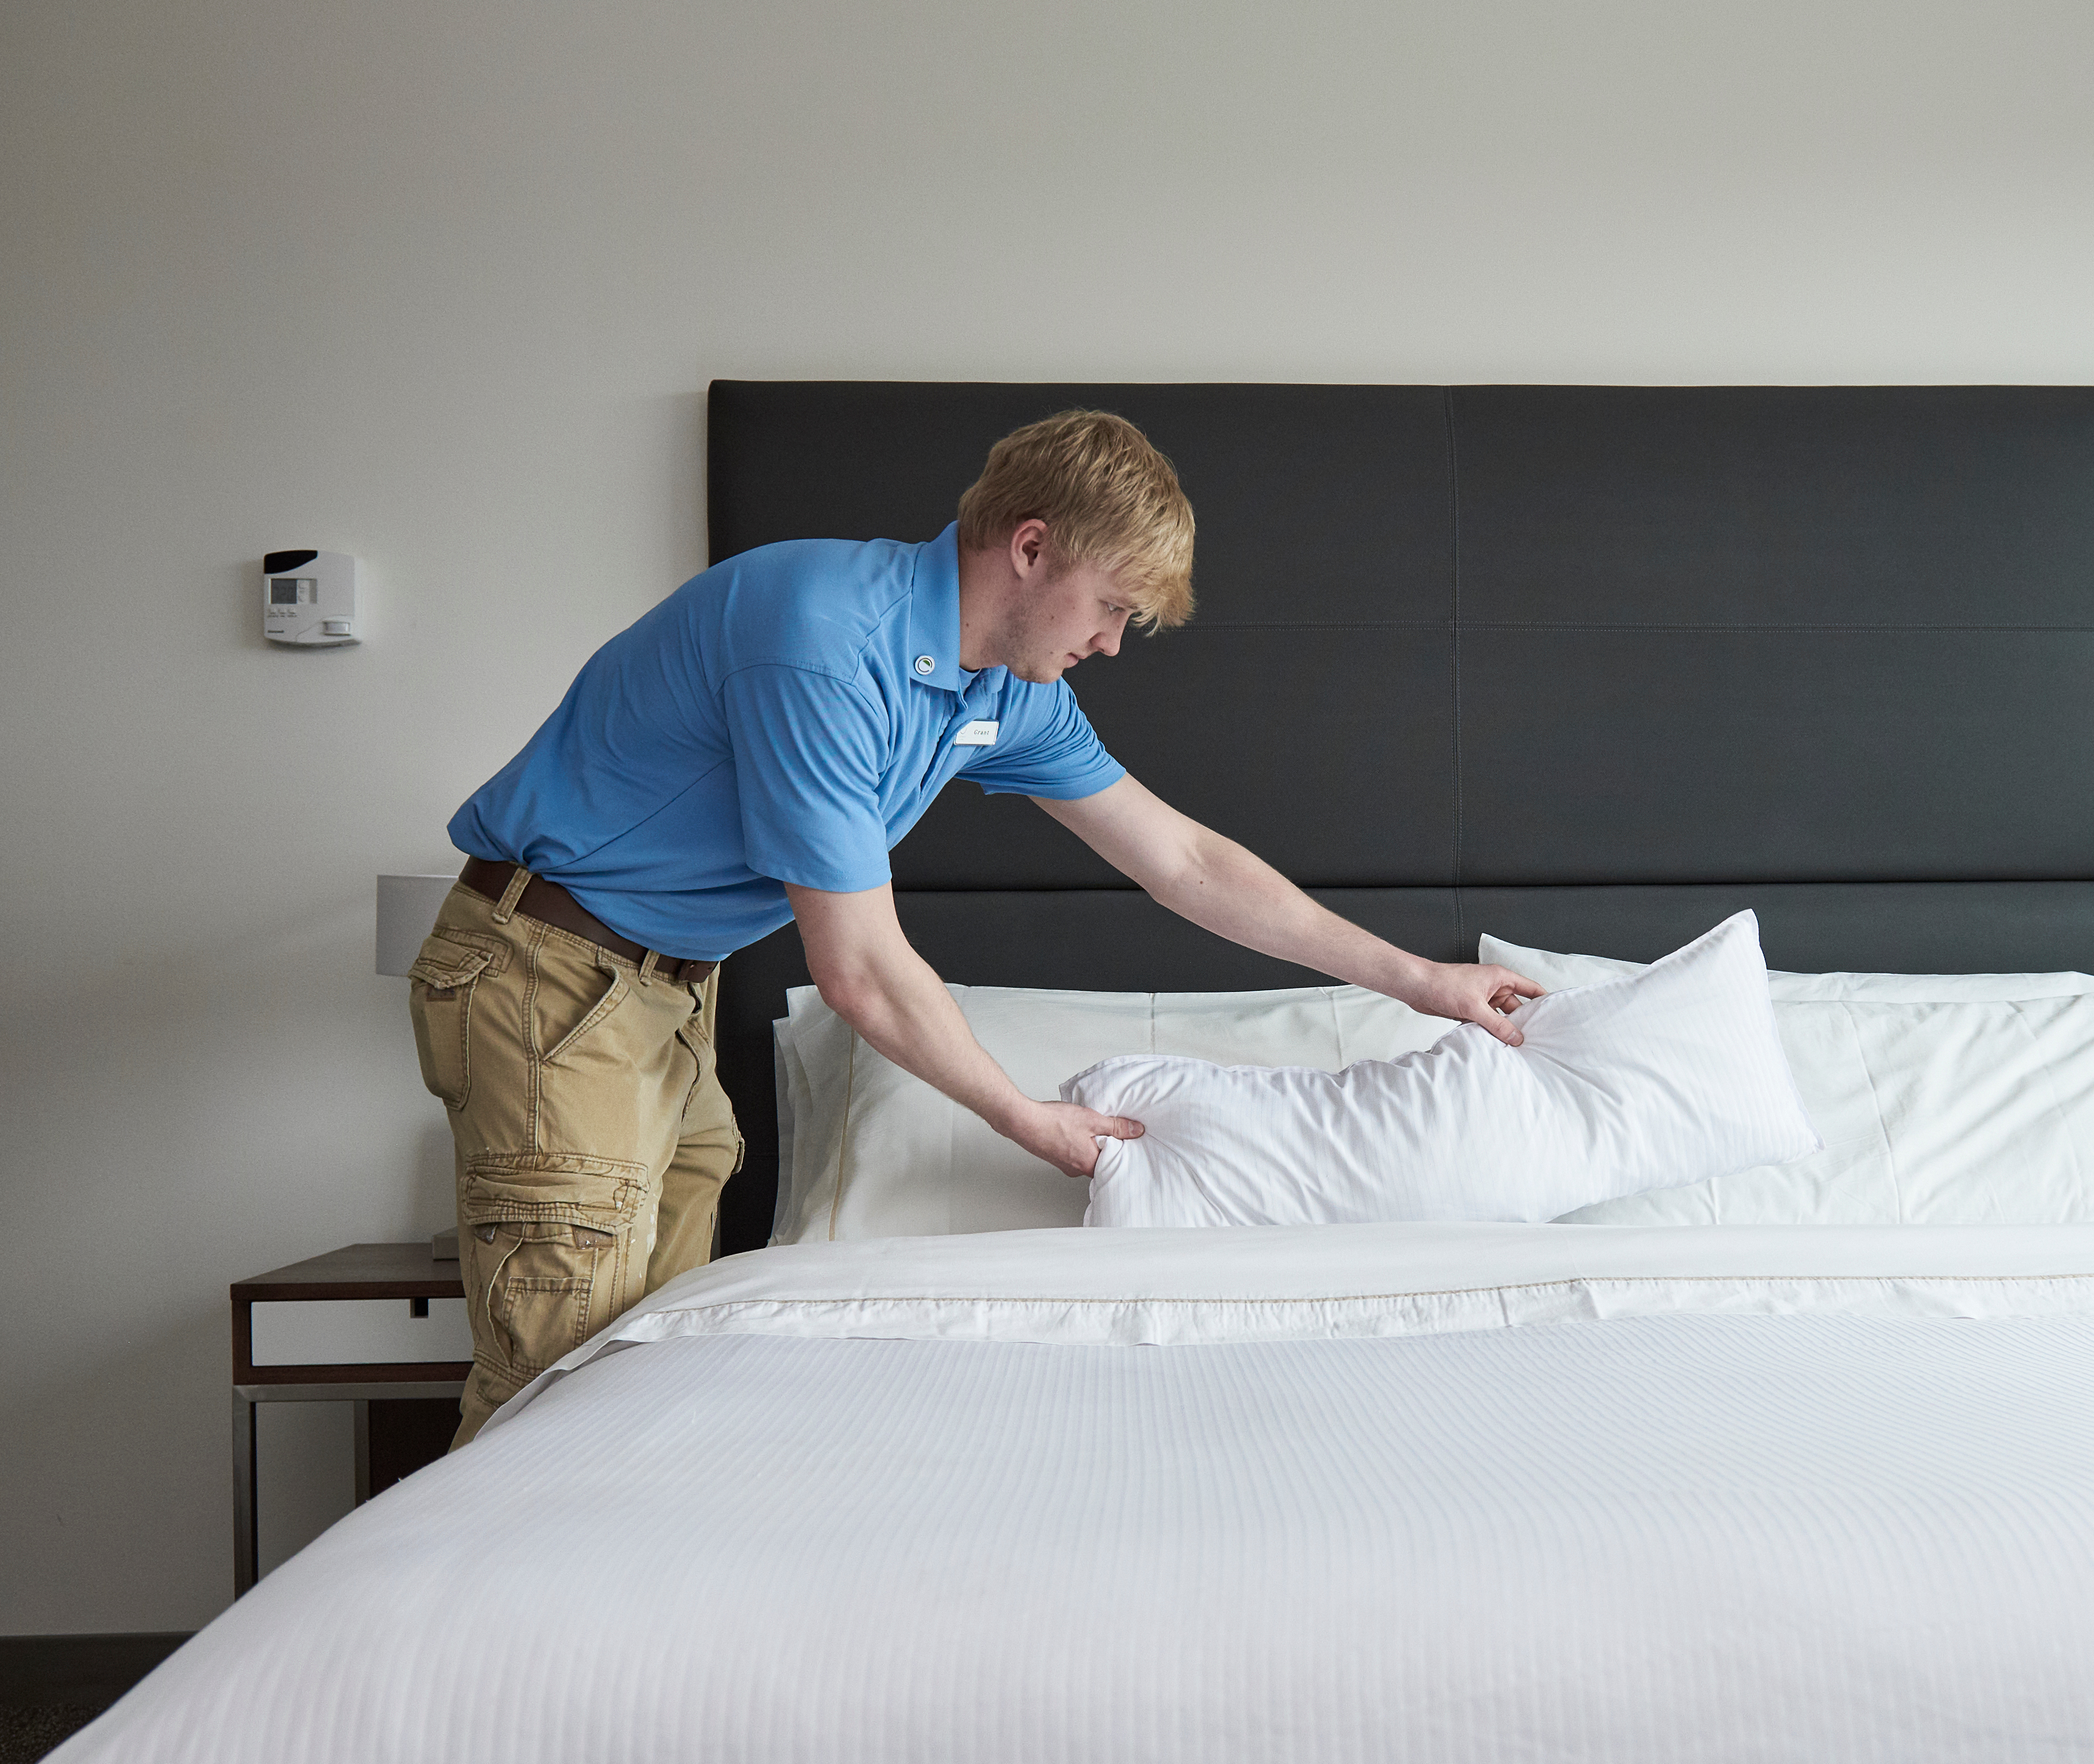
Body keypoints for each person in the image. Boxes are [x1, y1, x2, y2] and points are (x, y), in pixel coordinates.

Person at [406, 409, 1539, 1444]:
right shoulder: (823, 643)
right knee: (552, 1394)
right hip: (549, 975)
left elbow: (1185, 862)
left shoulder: (1003, 693)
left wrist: (1414, 979)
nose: (1109, 645)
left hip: (663, 992)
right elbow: (858, 970)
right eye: (1110, 607)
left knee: (640, 1376)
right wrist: (1025, 1119)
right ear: (1031, 548)